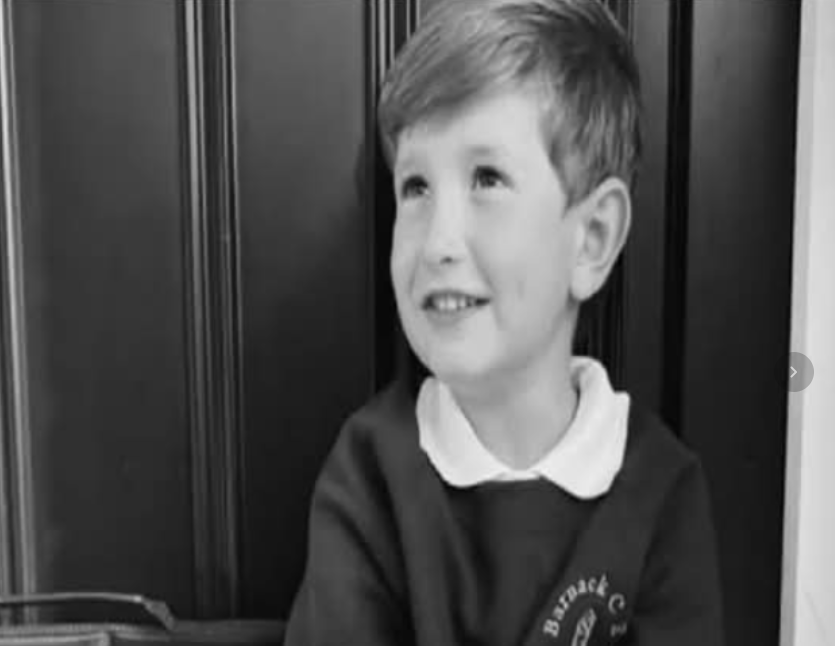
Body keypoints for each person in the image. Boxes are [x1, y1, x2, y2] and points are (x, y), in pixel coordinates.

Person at [284, 0, 723, 643]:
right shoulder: (371, 473)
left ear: (592, 239)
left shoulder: (661, 493)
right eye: (415, 187)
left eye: (486, 178)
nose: (439, 243)